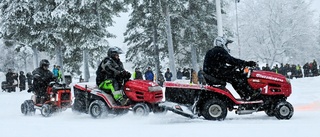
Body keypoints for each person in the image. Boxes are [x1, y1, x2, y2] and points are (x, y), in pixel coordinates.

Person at [203, 36, 258, 100]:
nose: (227, 46)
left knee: (235, 76)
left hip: (213, 73)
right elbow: (231, 60)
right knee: (238, 77)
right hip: (215, 74)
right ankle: (249, 95)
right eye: (226, 44)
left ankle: (245, 95)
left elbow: (218, 65)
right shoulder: (219, 50)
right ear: (221, 43)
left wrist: (232, 67)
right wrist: (247, 63)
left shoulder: (213, 51)